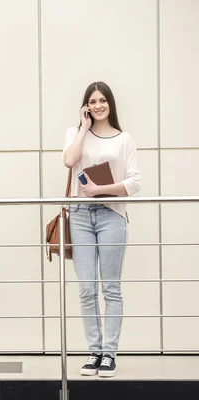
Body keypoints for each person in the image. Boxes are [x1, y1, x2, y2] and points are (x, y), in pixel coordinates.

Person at [62, 82, 141, 377]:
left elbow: (134, 182)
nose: (98, 106)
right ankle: (94, 353)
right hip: (80, 216)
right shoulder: (74, 134)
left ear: (110, 104)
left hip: (112, 216)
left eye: (103, 101)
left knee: (111, 288)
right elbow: (70, 161)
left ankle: (109, 354)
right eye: (92, 102)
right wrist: (83, 128)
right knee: (86, 289)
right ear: (86, 106)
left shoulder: (124, 139)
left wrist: (100, 189)